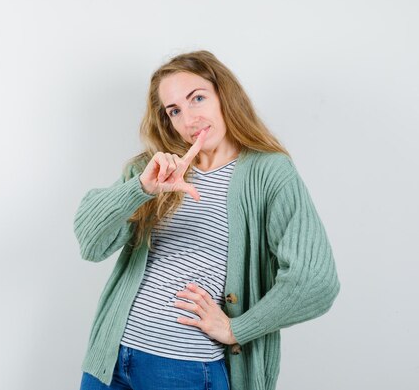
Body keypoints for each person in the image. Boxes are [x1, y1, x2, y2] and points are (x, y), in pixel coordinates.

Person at [73, 50, 340, 390]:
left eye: (197, 98)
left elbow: (317, 280)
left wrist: (235, 329)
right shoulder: (152, 169)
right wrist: (141, 189)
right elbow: (90, 243)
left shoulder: (269, 172)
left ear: (224, 95)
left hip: (183, 368)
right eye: (175, 111)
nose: (189, 119)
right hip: (109, 360)